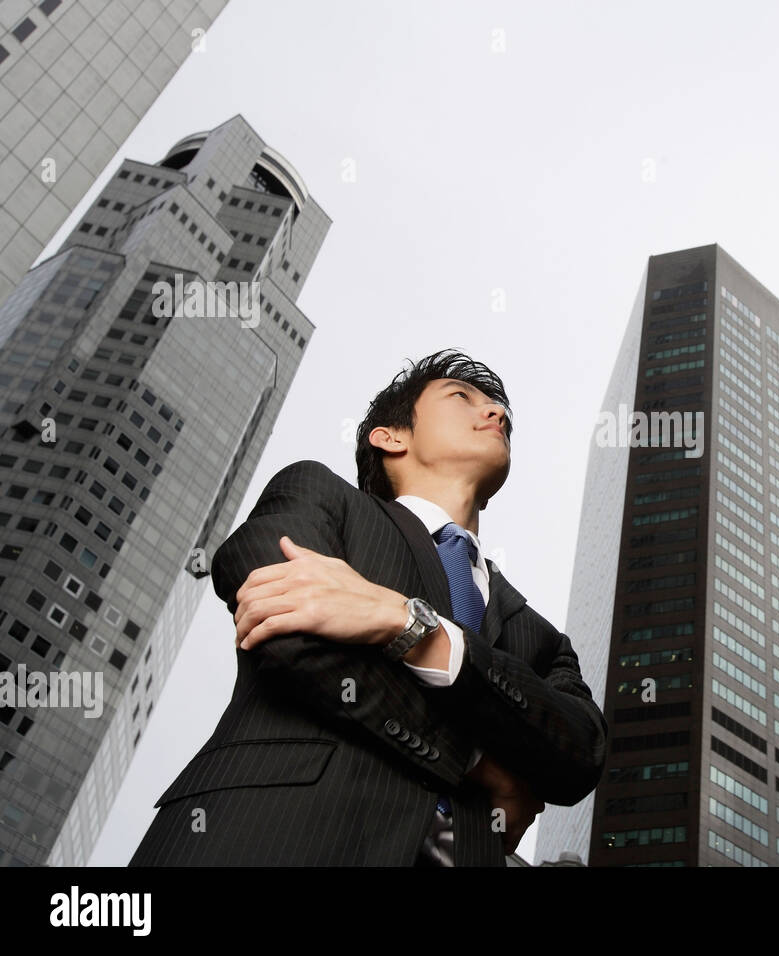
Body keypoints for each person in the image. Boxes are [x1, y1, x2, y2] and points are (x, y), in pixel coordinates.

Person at [129, 349, 607, 865]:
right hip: (263, 842)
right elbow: (286, 630)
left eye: (500, 411)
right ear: (391, 436)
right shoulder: (321, 497)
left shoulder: (540, 637)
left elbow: (580, 754)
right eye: (462, 397)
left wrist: (407, 624)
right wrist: (481, 763)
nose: (496, 415)